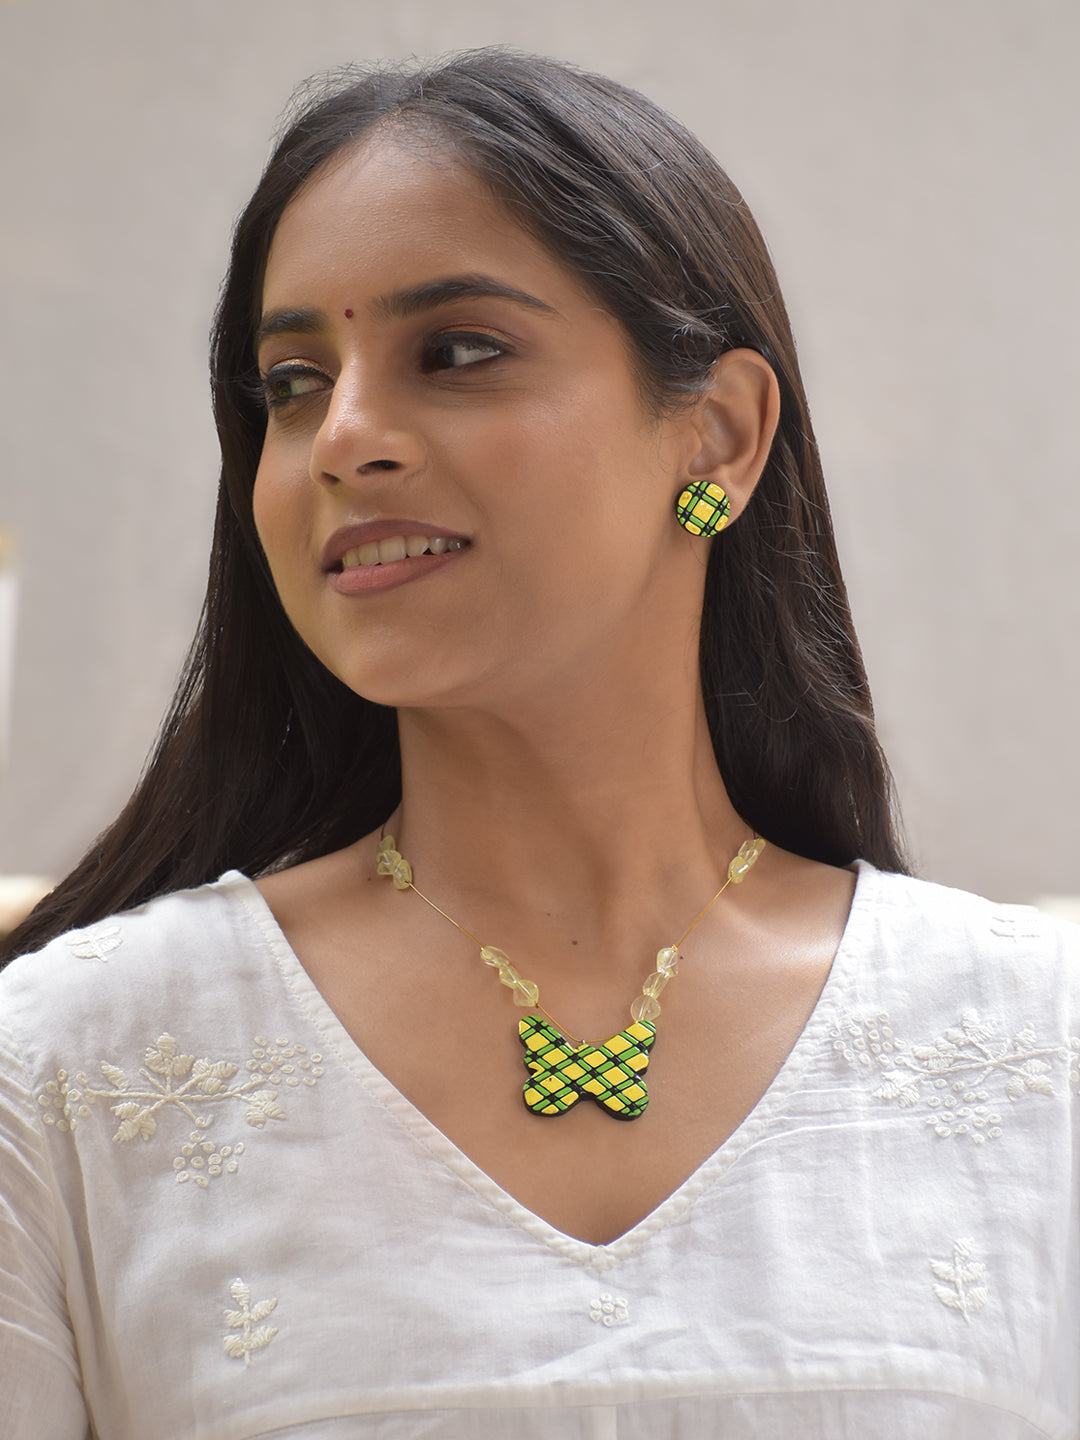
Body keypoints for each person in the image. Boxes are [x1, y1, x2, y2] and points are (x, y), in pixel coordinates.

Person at [0, 48, 1076, 1439]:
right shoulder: (70, 1072)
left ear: (719, 436)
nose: (344, 437)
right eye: (291, 382)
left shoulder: (1036, 1046)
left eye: (457, 352)